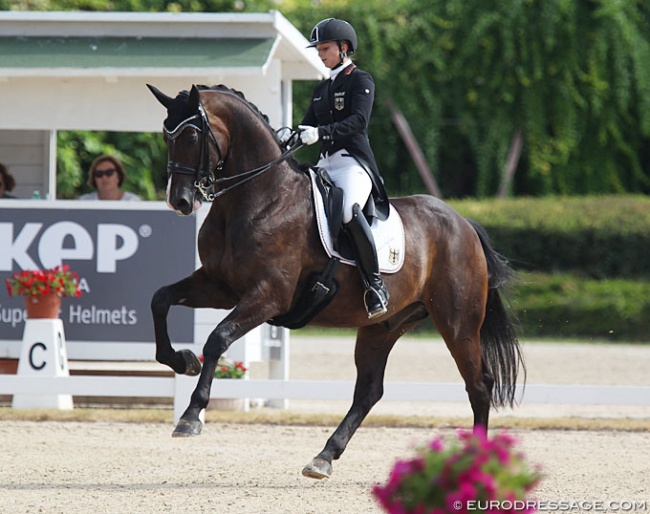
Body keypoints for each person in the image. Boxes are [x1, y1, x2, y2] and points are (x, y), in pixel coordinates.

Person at [281, 18, 390, 319]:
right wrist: (288, 134)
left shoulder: (360, 80)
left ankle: (375, 284)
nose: (321, 54)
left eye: (325, 49)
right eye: (318, 50)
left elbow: (358, 121)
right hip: (325, 165)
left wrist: (322, 133)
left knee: (347, 211)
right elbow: (307, 125)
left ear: (344, 48)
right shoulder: (321, 89)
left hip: (353, 163)